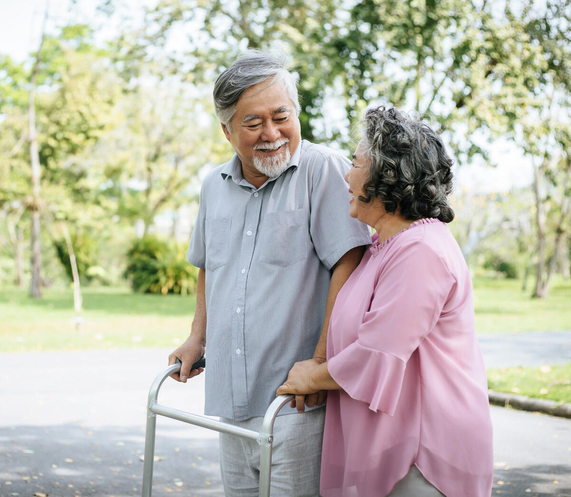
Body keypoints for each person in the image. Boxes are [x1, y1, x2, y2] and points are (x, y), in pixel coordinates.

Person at [168, 50, 371, 496]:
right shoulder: (212, 186)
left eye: (282, 116)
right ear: (226, 130)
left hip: (296, 401)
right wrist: (195, 338)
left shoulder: (324, 171)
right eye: (253, 122)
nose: (272, 134)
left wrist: (319, 363)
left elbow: (350, 265)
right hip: (230, 395)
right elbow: (209, 267)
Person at [277, 106, 494, 497]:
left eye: (357, 163)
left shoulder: (422, 251)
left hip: (425, 455)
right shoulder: (384, 246)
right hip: (397, 447)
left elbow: (377, 353)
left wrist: (311, 376)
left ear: (387, 178)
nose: (347, 175)